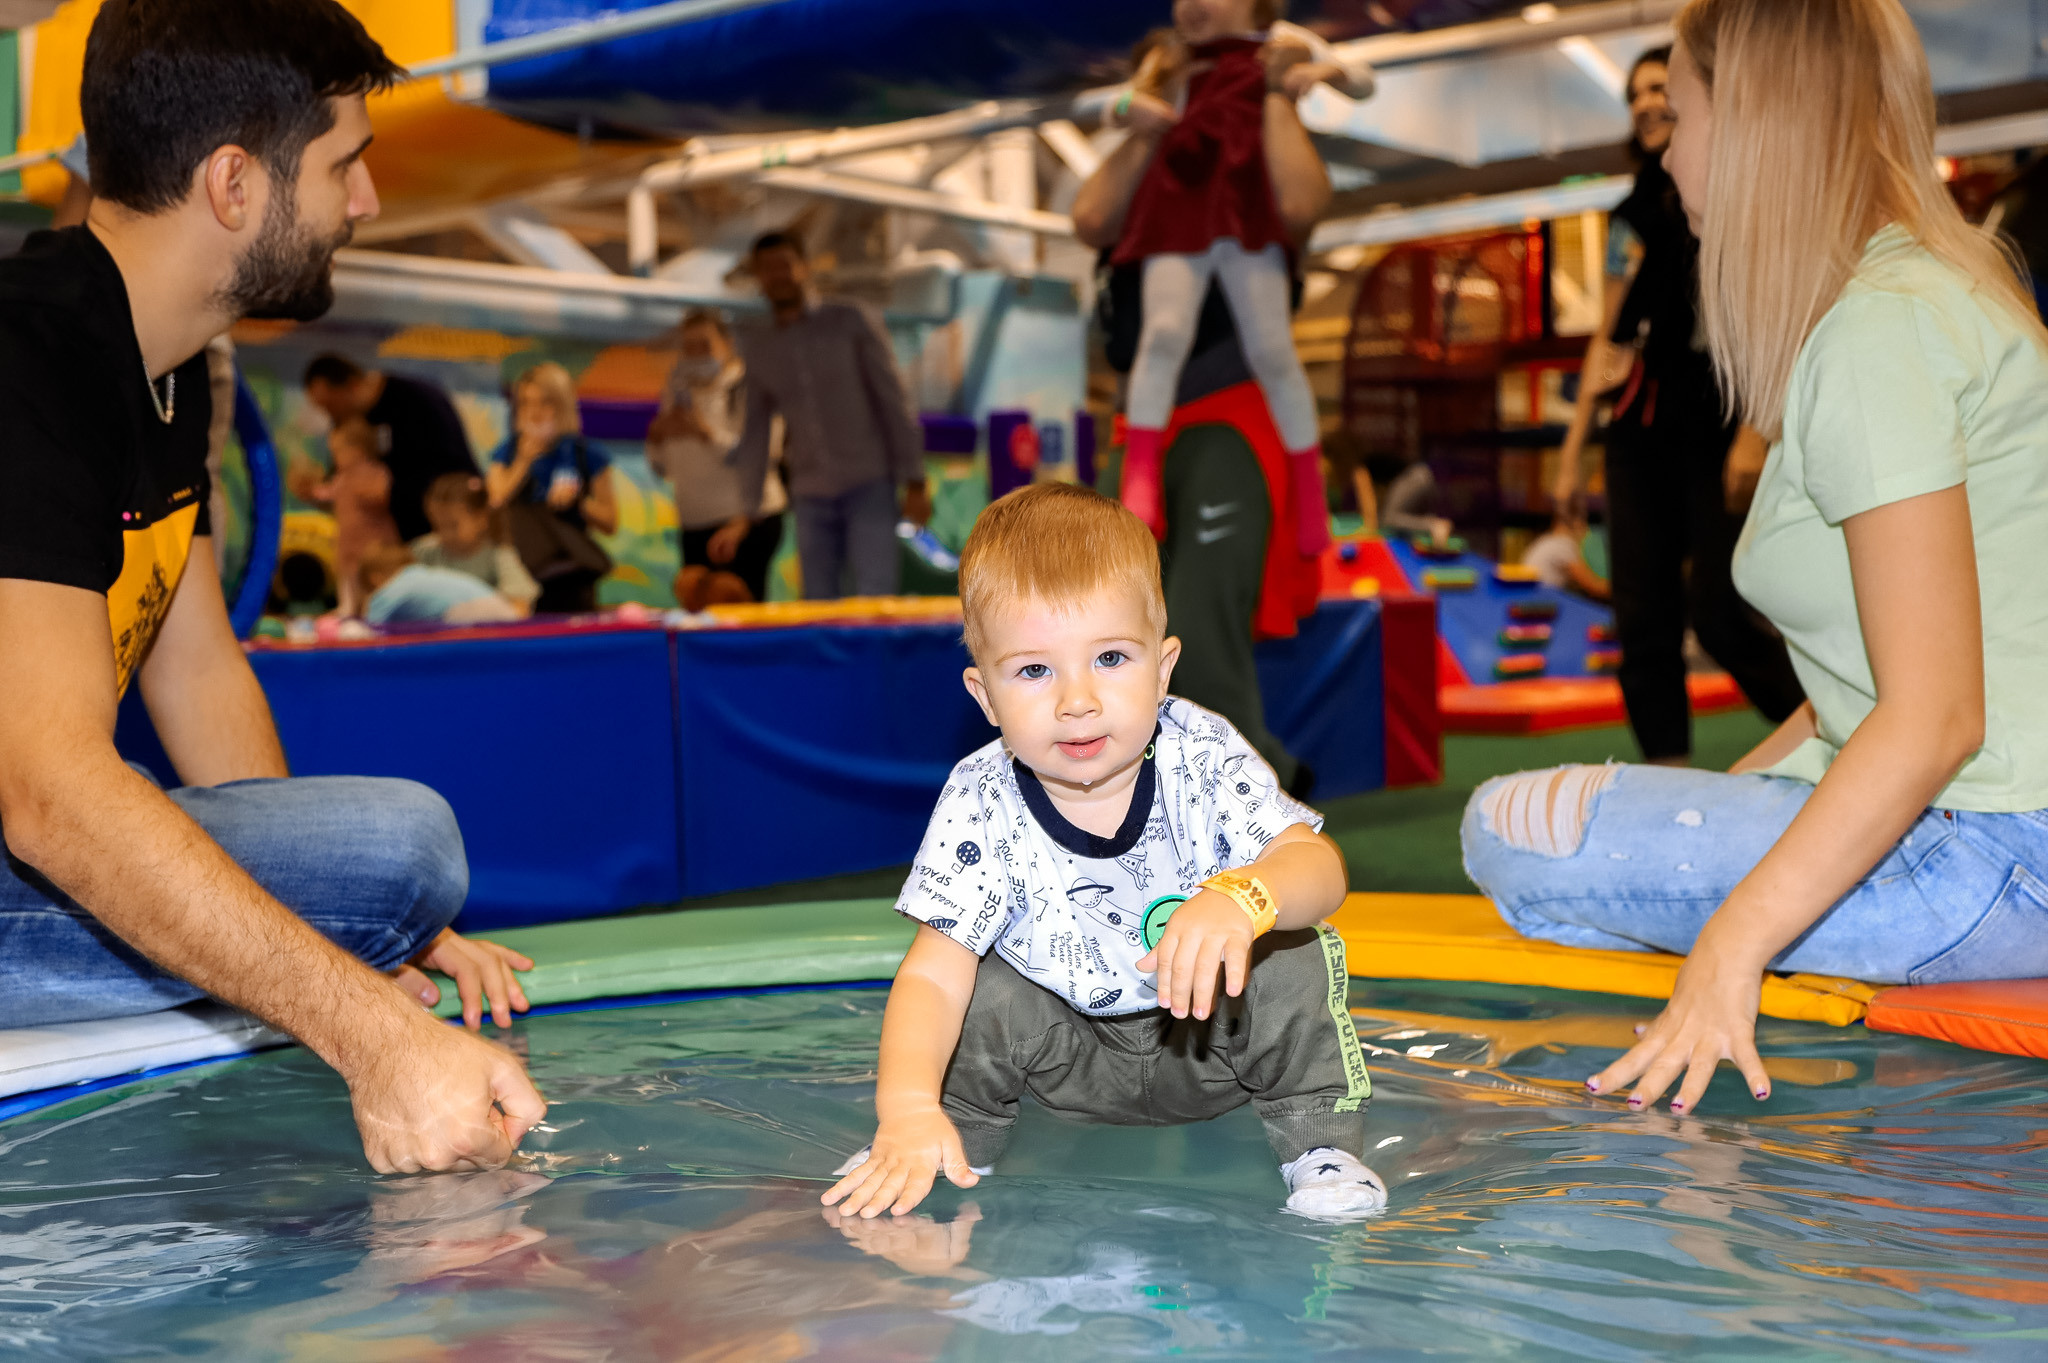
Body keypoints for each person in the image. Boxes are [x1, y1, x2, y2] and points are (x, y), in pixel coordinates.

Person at [1463, 0, 2048, 1117]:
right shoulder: (1915, 294)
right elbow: (1859, 686)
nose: (1668, 148)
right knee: (1629, 816)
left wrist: (1730, 938)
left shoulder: (1879, 329)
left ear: (1755, 122)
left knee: (1506, 826)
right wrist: (1713, 814)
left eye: (1678, 115)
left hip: (1989, 856)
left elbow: (1931, 717)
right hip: (1999, 838)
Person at [0, 0, 544, 1174]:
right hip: (17, 836)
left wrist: (346, 930)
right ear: (234, 185)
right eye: (344, 164)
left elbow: (195, 669)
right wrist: (374, 1033)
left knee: (383, 866)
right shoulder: (24, 359)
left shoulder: (165, 364)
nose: (366, 203)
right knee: (402, 841)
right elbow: (46, 793)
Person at [820, 483, 1382, 1223]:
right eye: (1033, 670)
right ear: (985, 697)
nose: (1076, 700)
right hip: (1068, 1049)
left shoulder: (1200, 752)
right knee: (981, 983)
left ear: (1164, 666)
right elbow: (931, 976)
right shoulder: (981, 797)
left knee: (1292, 951)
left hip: (1209, 1032)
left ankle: (1318, 1146)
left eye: (1111, 657)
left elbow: (1319, 866)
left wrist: (1246, 896)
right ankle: (948, 1144)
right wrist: (906, 1106)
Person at [1071, 14, 1341, 796]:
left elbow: (1303, 205)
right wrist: (1155, 111)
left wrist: (1272, 92)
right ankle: (1173, 792)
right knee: (1116, 622)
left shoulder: (1252, 140)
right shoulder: (1155, 160)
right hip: (1143, 428)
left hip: (1233, 420)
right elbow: (1089, 218)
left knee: (1193, 626)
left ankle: (1257, 788)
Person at [1552, 45, 1804, 766]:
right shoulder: (1631, 215)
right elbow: (1606, 338)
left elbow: (1771, 313)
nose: (1644, 102)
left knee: (1722, 612)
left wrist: (1757, 429)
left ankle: (1835, 730)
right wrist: (1572, 454)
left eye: (1659, 87)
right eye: (1633, 94)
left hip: (1718, 420)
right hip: (1638, 429)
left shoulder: (1732, 196)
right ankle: (1669, 776)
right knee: (1643, 618)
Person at [1107, 0, 1371, 555]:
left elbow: (1363, 79)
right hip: (1180, 202)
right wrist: (1134, 106)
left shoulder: (1279, 40)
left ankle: (1309, 495)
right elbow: (1112, 106)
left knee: (1273, 349)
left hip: (1247, 206)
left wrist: (1320, 71)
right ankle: (1141, 476)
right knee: (1163, 335)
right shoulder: (1169, 57)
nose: (1193, 6)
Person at [728, 232, 931, 600]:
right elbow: (755, 430)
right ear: (757, 277)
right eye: (766, 269)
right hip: (810, 495)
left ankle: (875, 660)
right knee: (818, 604)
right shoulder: (761, 347)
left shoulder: (851, 320)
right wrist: (748, 507)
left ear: (804, 267)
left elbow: (893, 400)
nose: (777, 275)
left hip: (869, 483)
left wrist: (915, 481)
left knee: (875, 597)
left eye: (785, 265)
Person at [646, 309, 786, 606]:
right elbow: (662, 468)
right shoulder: (676, 390)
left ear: (728, 344)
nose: (696, 354)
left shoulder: (751, 387)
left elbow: (764, 454)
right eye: (688, 347)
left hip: (743, 520)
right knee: (699, 618)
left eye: (705, 345)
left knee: (739, 617)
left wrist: (705, 433)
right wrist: (657, 439)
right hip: (694, 522)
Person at [484, 362, 619, 614]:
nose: (534, 412)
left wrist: (578, 502)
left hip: (570, 576)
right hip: (519, 573)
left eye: (544, 403)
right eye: (525, 403)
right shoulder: (508, 453)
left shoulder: (585, 454)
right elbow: (496, 498)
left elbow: (610, 522)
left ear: (562, 405)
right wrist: (524, 461)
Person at [303, 352, 480, 543]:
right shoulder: (350, 425)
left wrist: (392, 492)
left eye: (331, 405)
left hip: (443, 534)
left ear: (353, 385)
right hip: (393, 542)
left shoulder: (418, 401)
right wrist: (316, 491)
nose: (330, 415)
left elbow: (453, 470)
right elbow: (343, 482)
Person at [289, 415, 398, 618]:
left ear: (357, 451)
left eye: (338, 452)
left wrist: (366, 493)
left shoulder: (374, 472)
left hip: (372, 541)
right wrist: (309, 492)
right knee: (347, 574)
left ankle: (372, 608)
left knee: (371, 575)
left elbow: (383, 494)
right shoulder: (342, 478)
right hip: (348, 541)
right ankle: (347, 607)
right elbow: (327, 496)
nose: (336, 458)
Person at [411, 472, 539, 615]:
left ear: (481, 519)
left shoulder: (497, 555)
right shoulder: (424, 551)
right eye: (437, 526)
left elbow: (520, 608)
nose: (445, 534)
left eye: (453, 525)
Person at [360, 543, 524, 627]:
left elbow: (368, 631)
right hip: (502, 607)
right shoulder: (421, 575)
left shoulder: (394, 586)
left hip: (471, 615)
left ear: (375, 579)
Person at [1520, 500, 1610, 601]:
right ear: (1578, 524)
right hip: (1541, 603)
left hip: (1531, 598)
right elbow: (1594, 587)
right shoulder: (1563, 545)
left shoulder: (1546, 540)